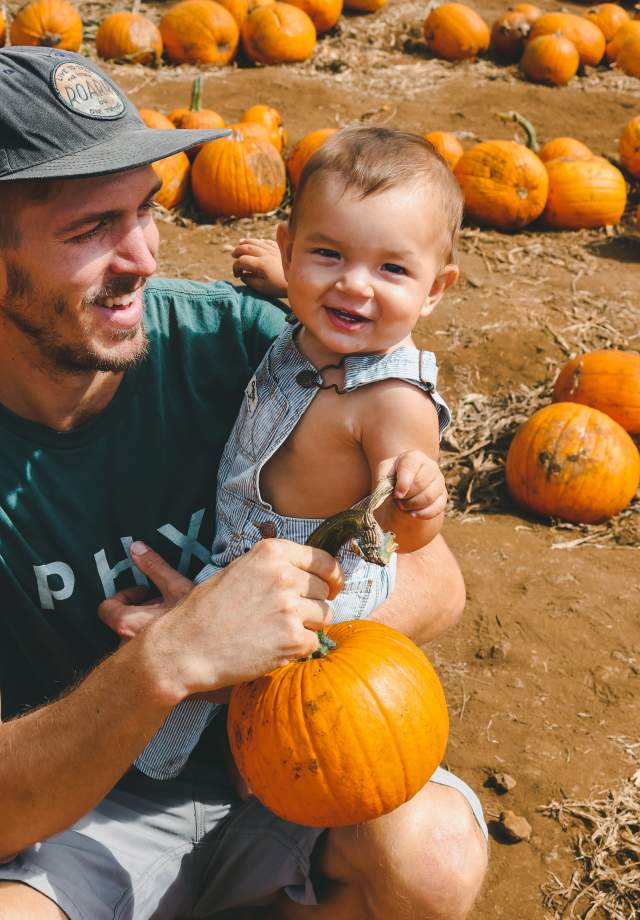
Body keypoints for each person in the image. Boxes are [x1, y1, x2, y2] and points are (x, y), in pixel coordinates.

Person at [0, 46, 487, 920]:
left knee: (432, 855)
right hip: (97, 807)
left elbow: (436, 580)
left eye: (144, 211)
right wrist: (172, 659)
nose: (145, 257)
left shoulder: (247, 346)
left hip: (300, 769)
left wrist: (268, 650)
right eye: (89, 230)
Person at [134, 125, 460, 782]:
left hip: (325, 589)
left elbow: (411, 538)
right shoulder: (322, 327)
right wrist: (289, 283)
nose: (355, 287)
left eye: (392, 269)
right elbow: (327, 307)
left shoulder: (394, 399)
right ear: (291, 248)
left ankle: (251, 784)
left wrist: (420, 490)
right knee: (180, 699)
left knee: (290, 725)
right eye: (328, 254)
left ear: (433, 289)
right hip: (254, 558)